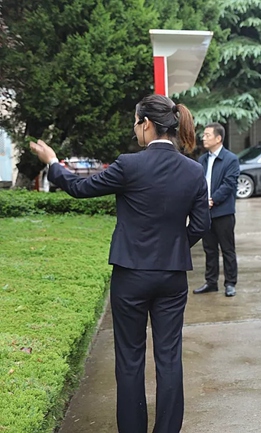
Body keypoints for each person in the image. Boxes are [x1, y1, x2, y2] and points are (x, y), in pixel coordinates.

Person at [29, 94, 210, 433]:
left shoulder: (129, 165)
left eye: (135, 123)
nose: (134, 129)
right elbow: (201, 225)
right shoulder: (194, 170)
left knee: (129, 359)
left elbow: (80, 187)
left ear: (146, 124)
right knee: (169, 357)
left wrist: (52, 162)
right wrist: (173, 249)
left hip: (131, 275)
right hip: (172, 277)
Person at [193, 122, 240, 297]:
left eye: (207, 135)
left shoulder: (230, 159)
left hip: (223, 212)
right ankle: (211, 282)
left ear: (218, 138)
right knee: (209, 249)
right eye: (203, 135)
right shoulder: (202, 160)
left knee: (227, 249)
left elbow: (229, 184)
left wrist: (212, 200)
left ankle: (230, 283)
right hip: (206, 212)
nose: (203, 138)